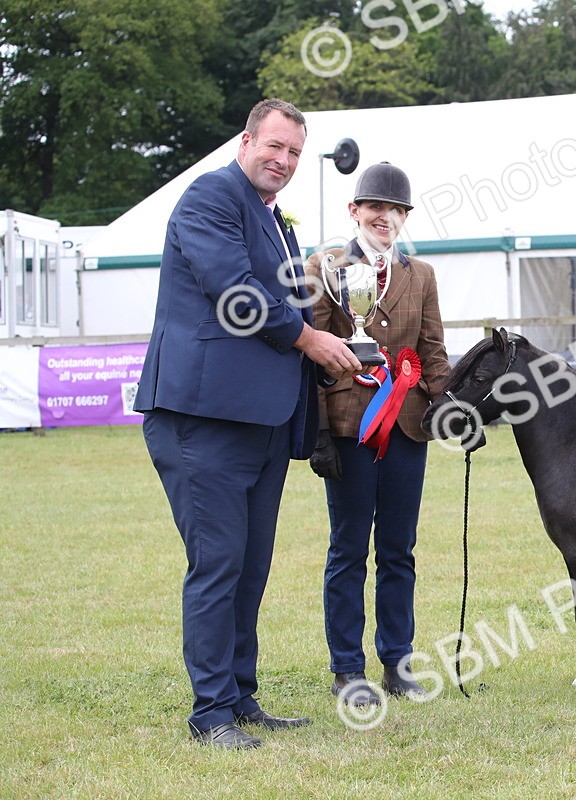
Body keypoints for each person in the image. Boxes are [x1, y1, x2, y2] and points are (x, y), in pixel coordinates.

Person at [135, 99, 363, 749]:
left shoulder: (274, 221)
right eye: (275, 147)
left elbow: (285, 298)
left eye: (294, 152)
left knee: (249, 566)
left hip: (261, 422)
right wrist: (311, 341)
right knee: (218, 564)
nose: (285, 161)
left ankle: (239, 695)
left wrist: (337, 339)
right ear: (246, 141)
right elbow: (235, 293)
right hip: (202, 419)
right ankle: (210, 713)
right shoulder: (211, 197)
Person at [304, 162, 451, 706]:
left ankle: (397, 659)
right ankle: (347, 668)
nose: (385, 218)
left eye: (396, 211)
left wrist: (449, 404)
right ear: (355, 211)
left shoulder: (422, 275)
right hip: (349, 426)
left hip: (408, 425)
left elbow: (432, 349)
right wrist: (320, 431)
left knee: (399, 549)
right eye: (376, 209)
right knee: (347, 549)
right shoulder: (324, 266)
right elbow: (314, 350)